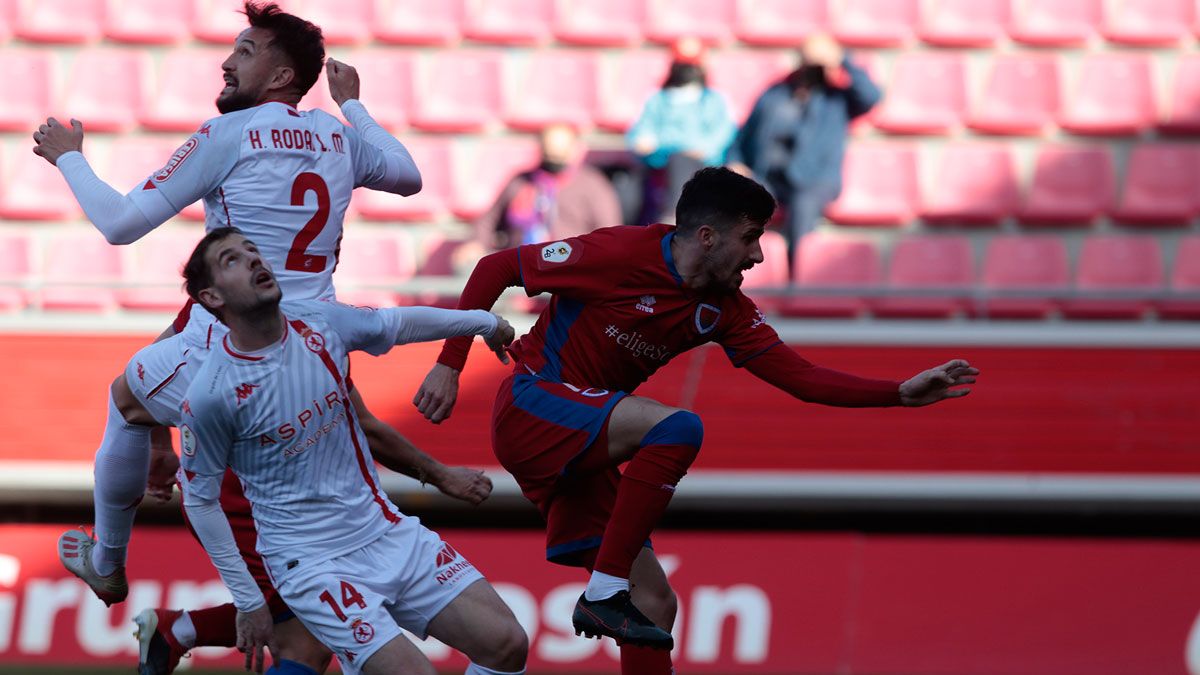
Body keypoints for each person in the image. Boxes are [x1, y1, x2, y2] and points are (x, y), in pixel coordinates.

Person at [31, 2, 489, 672]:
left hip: (246, 350)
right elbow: (408, 174)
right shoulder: (337, 138)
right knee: (313, 608)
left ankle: (108, 562)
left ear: (280, 74)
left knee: (127, 400)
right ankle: (184, 615)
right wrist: (354, 106)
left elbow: (121, 224)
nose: (228, 59)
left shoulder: (228, 135)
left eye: (246, 50)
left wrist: (70, 160)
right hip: (317, 346)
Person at [413, 167, 978, 675]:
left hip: (582, 441)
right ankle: (604, 591)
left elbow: (802, 378)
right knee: (678, 428)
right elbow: (496, 267)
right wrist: (448, 365)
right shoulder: (618, 254)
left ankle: (613, 593)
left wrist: (898, 394)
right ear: (708, 237)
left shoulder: (725, 309)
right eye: (751, 237)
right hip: (534, 404)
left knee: (655, 604)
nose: (758, 257)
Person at [177, 227, 526, 675]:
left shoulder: (318, 323)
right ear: (211, 298)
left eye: (253, 250)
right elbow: (200, 501)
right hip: (312, 564)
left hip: (384, 529)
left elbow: (398, 325)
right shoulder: (211, 395)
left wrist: (486, 322)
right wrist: (248, 600)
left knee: (507, 643)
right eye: (232, 260)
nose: (253, 260)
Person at [726, 34, 881, 266]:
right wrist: (735, 161)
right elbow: (745, 134)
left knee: (803, 207)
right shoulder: (775, 93)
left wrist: (840, 58)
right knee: (741, 203)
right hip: (768, 177)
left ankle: (797, 277)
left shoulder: (836, 97)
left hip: (815, 180)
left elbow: (871, 96)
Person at [626, 37, 737, 223]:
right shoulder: (657, 100)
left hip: (702, 168)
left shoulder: (715, 100)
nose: (687, 71)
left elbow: (721, 137)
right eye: (683, 65)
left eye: (692, 65)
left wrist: (687, 149)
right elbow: (640, 136)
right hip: (661, 166)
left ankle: (677, 218)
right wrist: (652, 145)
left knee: (682, 162)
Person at [472, 123, 622, 253]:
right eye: (549, 154)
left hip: (571, 266)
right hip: (520, 265)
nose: (553, 161)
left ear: (574, 149)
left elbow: (610, 233)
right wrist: (477, 244)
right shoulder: (521, 181)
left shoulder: (592, 185)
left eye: (559, 154)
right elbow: (488, 220)